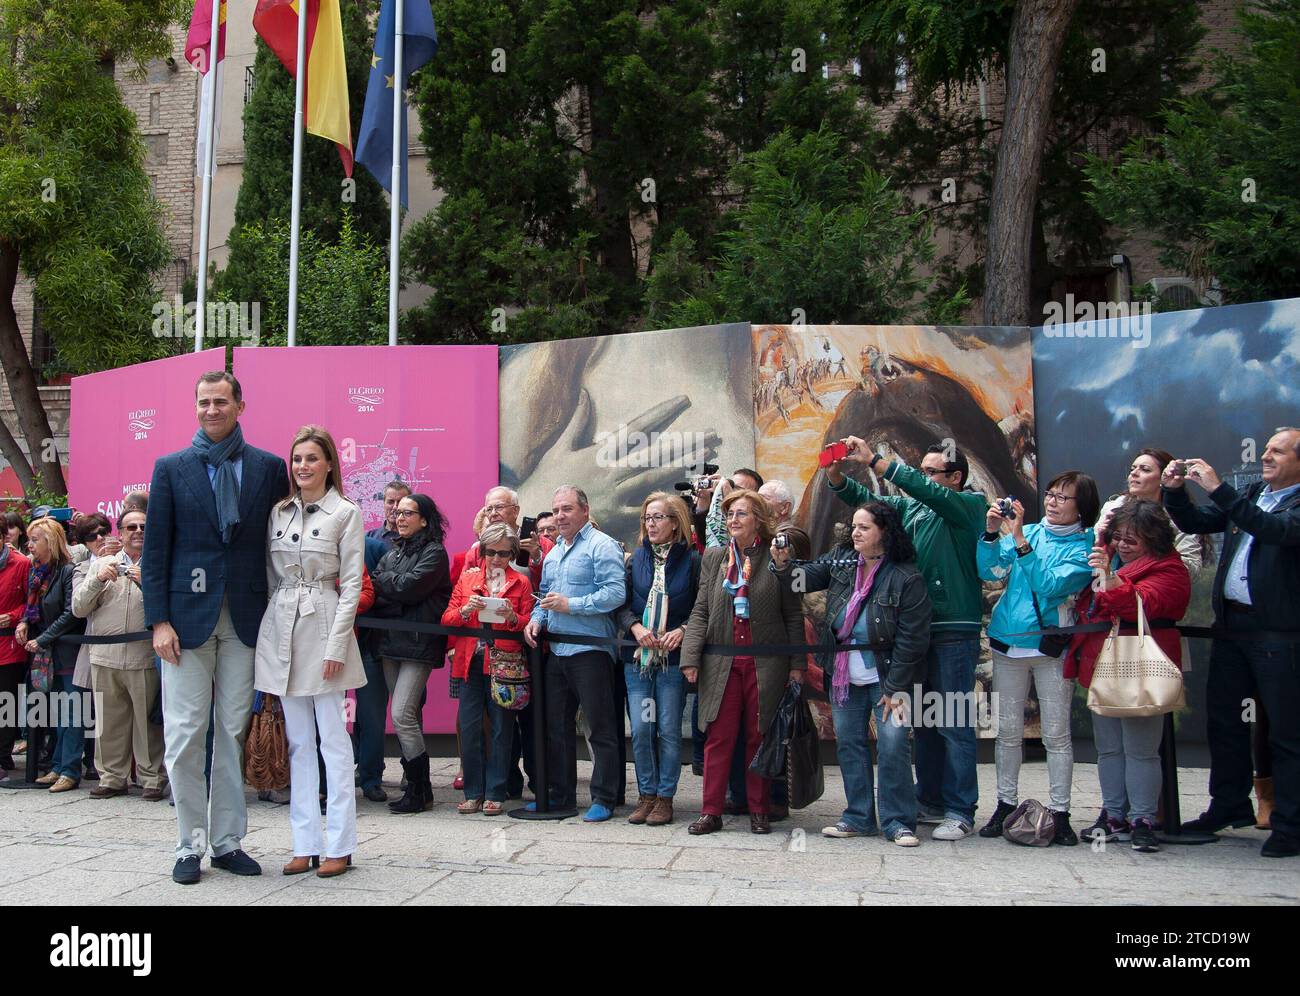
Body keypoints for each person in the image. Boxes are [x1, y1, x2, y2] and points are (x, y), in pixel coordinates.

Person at [142, 370, 290, 885]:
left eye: (220, 402)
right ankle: (188, 845)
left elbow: (279, 544)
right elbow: (155, 551)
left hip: (246, 621)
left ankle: (227, 842)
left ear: (240, 406)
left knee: (230, 733)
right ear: (195, 407)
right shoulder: (171, 468)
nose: (211, 410)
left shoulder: (270, 468)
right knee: (185, 735)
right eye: (203, 402)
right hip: (184, 623)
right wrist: (158, 620)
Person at [826, 438, 986, 840]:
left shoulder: (968, 505)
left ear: (955, 478)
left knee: (952, 719)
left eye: (931, 472)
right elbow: (871, 505)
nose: (924, 478)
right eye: (922, 470)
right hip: (909, 633)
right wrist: (837, 479)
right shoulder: (913, 508)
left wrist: (879, 462)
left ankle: (960, 808)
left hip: (951, 629)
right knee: (925, 722)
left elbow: (923, 490)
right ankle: (928, 798)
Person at [1163, 428, 1300, 858]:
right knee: (1225, 722)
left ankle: (1290, 825)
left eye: (1277, 451)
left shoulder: (1291, 505)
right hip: (1232, 629)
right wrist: (1176, 494)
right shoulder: (1257, 492)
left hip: (1277, 632)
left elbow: (1274, 530)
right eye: (1265, 449)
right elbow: (1197, 522)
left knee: (1286, 733)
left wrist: (1220, 488)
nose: (1266, 456)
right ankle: (1228, 805)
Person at [773, 502, 930, 846]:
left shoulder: (906, 576)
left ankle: (897, 821)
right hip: (844, 674)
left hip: (889, 676)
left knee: (892, 745)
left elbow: (912, 639)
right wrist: (783, 565)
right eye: (854, 526)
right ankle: (858, 816)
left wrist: (896, 686)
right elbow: (802, 580)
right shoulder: (843, 563)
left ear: (884, 532)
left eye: (864, 527)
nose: (855, 533)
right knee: (849, 745)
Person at [255, 426, 366, 878]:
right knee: (299, 744)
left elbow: (353, 584)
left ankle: (340, 844)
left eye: (312, 458)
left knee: (334, 744)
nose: (303, 466)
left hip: (324, 626)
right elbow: (268, 575)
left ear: (328, 463)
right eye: (297, 458)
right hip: (281, 626)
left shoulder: (346, 512)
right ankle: (305, 843)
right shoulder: (278, 512)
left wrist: (337, 644)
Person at [976, 472, 1099, 844]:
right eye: (1050, 494)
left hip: (1050, 646)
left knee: (1056, 735)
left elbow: (1050, 585)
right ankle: (1004, 804)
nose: (1052, 502)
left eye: (1063, 498)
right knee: (1008, 733)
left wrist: (1018, 540)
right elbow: (991, 571)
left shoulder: (1086, 545)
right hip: (1008, 642)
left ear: (1082, 506)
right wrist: (990, 533)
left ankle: (1061, 813)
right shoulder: (1029, 531)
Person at [1066, 500, 1191, 853]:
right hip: (1103, 663)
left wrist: (1110, 577)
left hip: (1140, 670)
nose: (1122, 545)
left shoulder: (1170, 569)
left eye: (1131, 540)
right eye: (1118, 537)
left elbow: (1141, 605)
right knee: (1108, 749)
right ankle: (1114, 814)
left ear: (1153, 539)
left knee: (1141, 751)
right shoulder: (1110, 563)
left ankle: (1143, 819)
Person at [682, 490, 803, 835]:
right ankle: (711, 811)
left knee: (759, 737)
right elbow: (701, 609)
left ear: (758, 521)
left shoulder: (776, 558)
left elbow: (793, 614)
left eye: (742, 514)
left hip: (765, 664)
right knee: (718, 737)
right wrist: (690, 656)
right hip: (721, 662)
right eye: (730, 514)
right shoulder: (716, 557)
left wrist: (797, 664)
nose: (733, 520)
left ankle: (759, 810)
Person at [523, 485, 627, 822]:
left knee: (599, 728)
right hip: (558, 650)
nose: (560, 516)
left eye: (567, 509)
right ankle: (561, 795)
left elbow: (615, 594)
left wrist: (572, 606)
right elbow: (544, 596)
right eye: (556, 511)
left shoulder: (602, 545)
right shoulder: (553, 553)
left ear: (584, 510)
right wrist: (536, 620)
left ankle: (604, 798)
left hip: (591, 650)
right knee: (556, 727)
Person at [617, 492, 701, 827]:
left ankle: (665, 797)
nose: (651, 524)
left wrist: (682, 629)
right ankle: (646, 795)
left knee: (667, 728)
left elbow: (701, 607)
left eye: (659, 517)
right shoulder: (635, 559)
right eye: (647, 518)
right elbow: (621, 606)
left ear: (676, 522)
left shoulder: (693, 561)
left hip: (672, 659)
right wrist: (635, 627)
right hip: (638, 657)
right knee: (641, 728)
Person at [71, 508, 166, 800]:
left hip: (144, 655)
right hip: (104, 656)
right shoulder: (100, 562)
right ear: (120, 533)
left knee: (148, 725)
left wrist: (145, 582)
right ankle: (112, 777)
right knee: (108, 723)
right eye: (130, 527)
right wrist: (98, 578)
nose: (137, 531)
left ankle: (152, 779)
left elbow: (171, 609)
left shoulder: (159, 564)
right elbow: (78, 607)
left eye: (143, 526)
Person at [370, 492, 452, 815]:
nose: (399, 518)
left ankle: (421, 788)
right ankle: (418, 789)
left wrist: (394, 589)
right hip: (390, 642)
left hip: (419, 644)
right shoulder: (393, 552)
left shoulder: (435, 553)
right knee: (406, 714)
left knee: (402, 714)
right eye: (398, 513)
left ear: (424, 519)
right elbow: (378, 587)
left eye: (408, 513)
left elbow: (407, 588)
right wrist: (396, 590)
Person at [443, 522, 532, 815]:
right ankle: (473, 792)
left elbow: (526, 625)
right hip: (470, 662)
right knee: (469, 728)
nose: (497, 559)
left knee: (501, 730)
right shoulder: (468, 579)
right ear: (482, 551)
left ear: (512, 554)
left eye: (504, 554)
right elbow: (448, 619)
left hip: (504, 664)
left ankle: (495, 791)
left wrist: (511, 616)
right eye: (491, 552)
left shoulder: (521, 582)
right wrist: (467, 610)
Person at [16, 517, 86, 792]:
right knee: (57, 714)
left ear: (51, 542)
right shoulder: (37, 573)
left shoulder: (68, 571)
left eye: (35, 540)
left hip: (67, 651)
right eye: (30, 540)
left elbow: (71, 613)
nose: (29, 545)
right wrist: (24, 622)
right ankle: (57, 766)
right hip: (46, 653)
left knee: (72, 713)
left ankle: (70, 769)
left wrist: (42, 638)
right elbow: (33, 608)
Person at [1099, 447, 1208, 577]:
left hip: (1155, 587)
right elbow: (1091, 557)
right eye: (1132, 469)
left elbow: (1192, 570)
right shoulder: (1113, 507)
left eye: (1145, 469)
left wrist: (1156, 547)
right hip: (1109, 583)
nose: (1134, 473)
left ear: (1165, 477)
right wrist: (1102, 536)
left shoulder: (1180, 517)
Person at [0, 523, 29, 780]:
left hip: (8, 645)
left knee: (5, 702)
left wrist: (13, 616)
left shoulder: (20, 563)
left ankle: (3, 755)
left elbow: (32, 602)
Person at [368, 480, 410, 546]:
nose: (395, 507)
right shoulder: (370, 537)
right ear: (384, 503)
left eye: (400, 502)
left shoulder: (418, 539)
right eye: (390, 502)